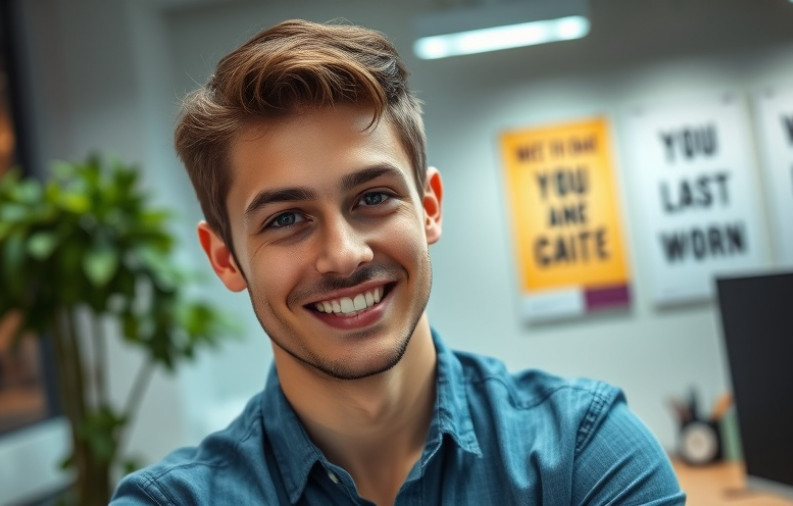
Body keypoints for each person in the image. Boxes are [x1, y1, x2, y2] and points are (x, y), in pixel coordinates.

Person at [111, 18, 685, 505]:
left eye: (372, 198)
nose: (343, 255)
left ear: (429, 207)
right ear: (225, 259)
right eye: (286, 218)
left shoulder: (584, 452)